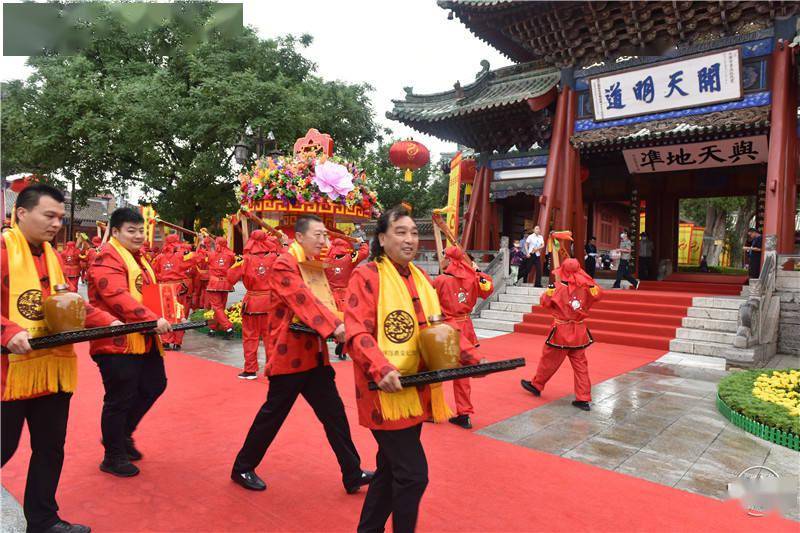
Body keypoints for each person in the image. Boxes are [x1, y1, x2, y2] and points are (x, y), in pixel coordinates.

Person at [345, 206, 481, 533]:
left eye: (414, 233)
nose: (410, 240)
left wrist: (467, 355)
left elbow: (438, 324)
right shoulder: (366, 276)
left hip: (415, 388)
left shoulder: (420, 277)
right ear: (381, 238)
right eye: (401, 232)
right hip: (384, 391)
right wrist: (381, 367)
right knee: (413, 475)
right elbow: (356, 331)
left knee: (391, 470)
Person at [2, 184, 120, 533]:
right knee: (3, 448)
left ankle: (43, 521)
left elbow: (70, 304)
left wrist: (110, 322)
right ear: (21, 213)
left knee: (50, 449)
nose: (55, 223)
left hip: (52, 368)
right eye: (48, 215)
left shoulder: (52, 257)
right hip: (9, 375)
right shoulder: (3, 250)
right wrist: (7, 331)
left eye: (59, 217)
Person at [230, 215, 372, 494]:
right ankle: (242, 467)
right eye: (318, 235)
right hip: (290, 354)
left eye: (325, 236)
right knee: (273, 415)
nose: (324, 241)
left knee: (334, 416)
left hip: (315, 357)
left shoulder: (313, 265)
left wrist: (348, 323)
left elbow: (325, 301)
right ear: (300, 237)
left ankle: (352, 472)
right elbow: (302, 301)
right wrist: (336, 328)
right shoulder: (285, 263)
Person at [87, 208, 172, 478]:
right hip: (115, 341)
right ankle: (113, 456)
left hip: (143, 338)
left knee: (154, 384)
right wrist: (152, 319)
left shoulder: (139, 259)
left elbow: (148, 294)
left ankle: (121, 434)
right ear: (115, 232)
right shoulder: (106, 258)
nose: (138, 236)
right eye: (131, 231)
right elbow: (117, 296)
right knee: (119, 399)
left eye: (140, 231)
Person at [521, 258, 601, 411]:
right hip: (578, 331)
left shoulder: (558, 287)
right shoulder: (587, 287)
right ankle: (583, 397)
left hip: (562, 332)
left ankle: (537, 384)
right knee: (581, 366)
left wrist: (550, 292)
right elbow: (597, 295)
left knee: (549, 360)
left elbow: (545, 303)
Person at [432, 245, 493, 429]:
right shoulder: (473, 278)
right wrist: (478, 272)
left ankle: (431, 409)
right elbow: (487, 289)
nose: (440, 259)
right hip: (466, 328)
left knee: (432, 370)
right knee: (462, 374)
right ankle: (464, 413)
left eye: (443, 256)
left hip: (445, 328)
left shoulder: (440, 280)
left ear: (449, 260)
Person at [226, 231, 279, 379]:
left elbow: (230, 278)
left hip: (252, 304)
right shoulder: (275, 257)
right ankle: (273, 369)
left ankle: (250, 370)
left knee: (250, 337)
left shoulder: (245, 259)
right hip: (270, 303)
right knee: (271, 338)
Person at [151, 235, 191, 350]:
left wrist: (163, 278)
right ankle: (178, 342)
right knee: (179, 314)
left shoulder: (159, 257)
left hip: (165, 288)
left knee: (167, 314)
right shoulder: (182, 255)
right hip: (180, 287)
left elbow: (154, 272)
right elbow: (195, 260)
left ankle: (166, 341)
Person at [326, 237, 370, 312]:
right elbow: (365, 252)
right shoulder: (350, 258)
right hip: (347, 294)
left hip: (331, 296)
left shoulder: (326, 262)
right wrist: (362, 242)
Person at [206, 237, 236, 338]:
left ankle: (228, 328)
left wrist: (204, 242)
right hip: (226, 283)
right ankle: (213, 328)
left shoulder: (211, 254)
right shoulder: (231, 255)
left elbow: (203, 258)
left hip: (214, 283)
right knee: (220, 308)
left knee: (217, 307)